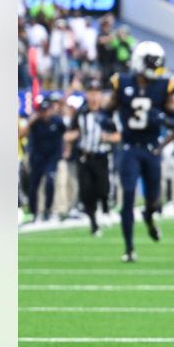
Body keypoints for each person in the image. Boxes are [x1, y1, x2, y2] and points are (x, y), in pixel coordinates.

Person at [106, 41, 174, 262]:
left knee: (153, 200)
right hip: (129, 148)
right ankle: (129, 249)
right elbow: (105, 111)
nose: (156, 69)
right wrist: (110, 128)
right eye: (152, 64)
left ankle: (149, 217)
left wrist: (163, 118)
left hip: (151, 149)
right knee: (128, 196)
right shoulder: (121, 82)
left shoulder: (166, 85)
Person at [67, 79, 118, 235]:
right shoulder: (81, 113)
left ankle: (105, 210)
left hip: (101, 156)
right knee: (86, 191)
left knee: (102, 188)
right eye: (91, 93)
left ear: (101, 95)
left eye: (96, 93)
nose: (93, 96)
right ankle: (94, 224)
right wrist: (70, 140)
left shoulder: (107, 114)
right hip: (84, 156)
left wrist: (108, 138)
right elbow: (70, 133)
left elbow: (119, 135)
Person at [21, 95, 67, 223]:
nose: (45, 113)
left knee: (50, 181)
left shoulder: (58, 121)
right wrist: (31, 121)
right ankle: (34, 212)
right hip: (37, 158)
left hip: (52, 158)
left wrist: (65, 150)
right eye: (43, 110)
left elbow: (67, 134)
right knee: (33, 186)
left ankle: (47, 209)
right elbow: (21, 134)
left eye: (47, 110)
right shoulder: (35, 123)